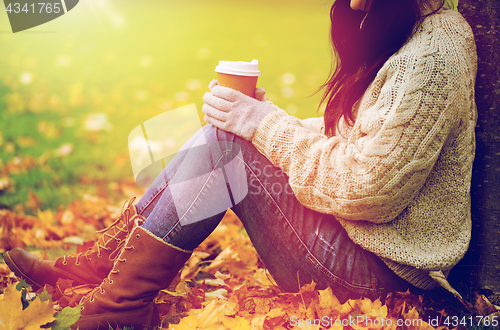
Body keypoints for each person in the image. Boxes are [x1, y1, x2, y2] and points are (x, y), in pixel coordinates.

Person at [3, 0, 477, 328]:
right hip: (361, 247)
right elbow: (360, 144)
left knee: (229, 143)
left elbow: (366, 189)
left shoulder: (433, 56)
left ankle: (118, 300)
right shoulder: (418, 30)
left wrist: (262, 124)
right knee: (227, 137)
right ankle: (103, 273)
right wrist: (262, 121)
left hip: (381, 276)